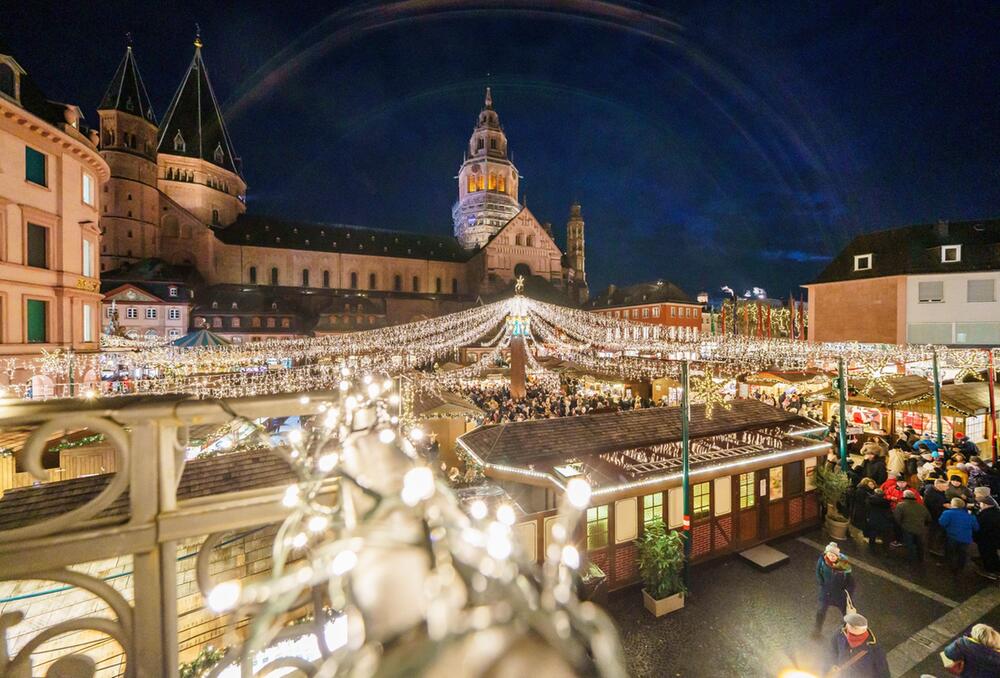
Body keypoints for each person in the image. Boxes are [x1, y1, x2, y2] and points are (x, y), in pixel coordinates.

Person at [826, 613, 890, 678]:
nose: (845, 627)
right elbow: (832, 651)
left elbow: (883, 673)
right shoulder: (840, 633)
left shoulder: (875, 650)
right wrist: (833, 665)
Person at [814, 542, 856, 637]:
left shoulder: (844, 564)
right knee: (821, 610)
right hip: (826, 592)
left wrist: (847, 593)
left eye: (834, 555)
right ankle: (817, 630)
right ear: (826, 554)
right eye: (829, 554)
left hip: (839, 593)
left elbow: (851, 582)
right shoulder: (822, 561)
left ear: (837, 555)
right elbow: (818, 572)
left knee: (846, 613)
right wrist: (822, 584)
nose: (831, 557)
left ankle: (846, 632)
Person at [939, 498, 979, 576]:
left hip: (952, 537)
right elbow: (976, 528)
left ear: (953, 505)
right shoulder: (970, 516)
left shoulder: (947, 513)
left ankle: (951, 568)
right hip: (966, 538)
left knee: (951, 552)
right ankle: (960, 567)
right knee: (962, 553)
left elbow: (942, 523)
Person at [893, 489, 931, 562]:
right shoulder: (921, 506)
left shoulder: (901, 505)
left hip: (907, 528)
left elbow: (897, 518)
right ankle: (920, 558)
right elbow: (928, 518)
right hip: (920, 528)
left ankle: (911, 559)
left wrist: (901, 526)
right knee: (919, 544)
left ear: (904, 496)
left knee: (909, 544)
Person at [974, 496, 1000, 579]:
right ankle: (997, 566)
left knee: (987, 555)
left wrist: (975, 538)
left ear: (985, 504)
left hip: (986, 539)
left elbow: (979, 528)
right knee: (993, 554)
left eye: (980, 503)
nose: (979, 504)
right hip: (995, 539)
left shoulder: (984, 515)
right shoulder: (997, 511)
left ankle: (989, 570)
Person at [849, 478, 876, 544]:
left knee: (860, 523)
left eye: (873, 484)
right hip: (861, 510)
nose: (873, 486)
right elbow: (862, 501)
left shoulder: (865, 490)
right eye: (871, 484)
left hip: (860, 510)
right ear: (866, 484)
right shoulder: (863, 491)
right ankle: (856, 536)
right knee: (861, 523)